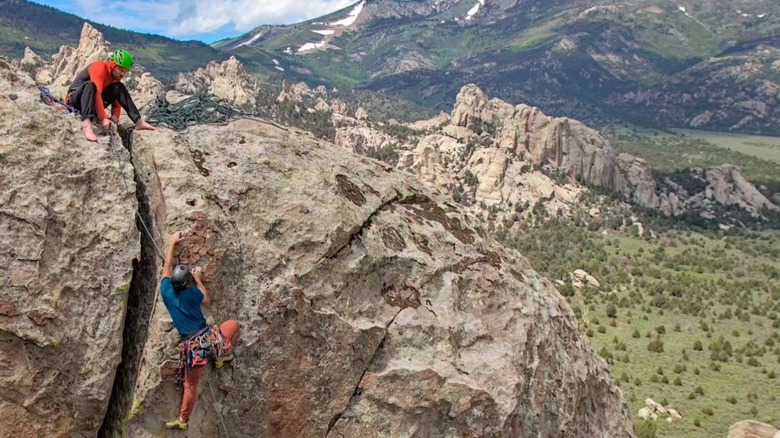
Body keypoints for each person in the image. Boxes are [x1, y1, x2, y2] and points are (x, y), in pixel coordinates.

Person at [161, 231, 240, 431]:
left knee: (191, 386)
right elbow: (207, 299)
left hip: (194, 350)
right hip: (211, 339)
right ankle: (221, 357)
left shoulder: (166, 293)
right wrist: (198, 278)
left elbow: (166, 266)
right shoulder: (192, 293)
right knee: (233, 326)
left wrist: (171, 243)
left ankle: (183, 420)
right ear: (187, 282)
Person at [67, 49, 156, 142]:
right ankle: (86, 125)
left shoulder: (115, 77)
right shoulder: (99, 68)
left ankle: (138, 121)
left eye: (125, 72)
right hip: (76, 100)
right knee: (91, 85)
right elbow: (97, 93)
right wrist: (103, 118)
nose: (123, 74)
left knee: (119, 87)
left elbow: (117, 98)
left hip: (91, 103)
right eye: (121, 70)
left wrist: (115, 116)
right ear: (113, 65)